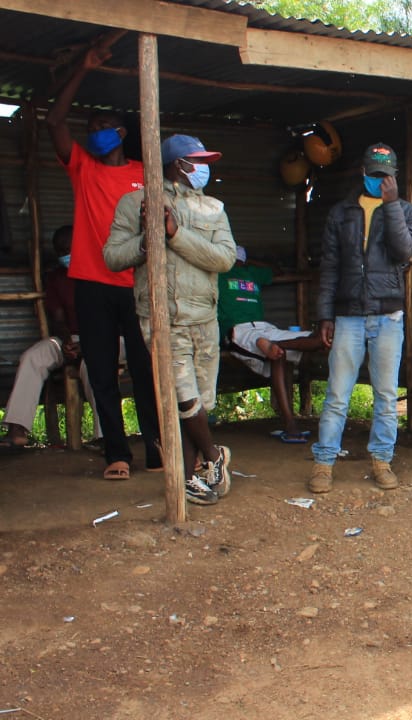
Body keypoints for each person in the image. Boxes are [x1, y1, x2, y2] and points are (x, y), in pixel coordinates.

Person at [47, 41, 162, 480]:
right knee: (101, 374)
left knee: (146, 371)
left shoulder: (144, 172)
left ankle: (157, 450)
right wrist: (83, 66)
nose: (95, 131)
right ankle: (117, 454)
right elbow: (55, 121)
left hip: (138, 286)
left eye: (103, 126)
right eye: (91, 126)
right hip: (92, 286)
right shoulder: (82, 167)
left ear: (121, 132)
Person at [104, 134, 237, 506]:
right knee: (183, 397)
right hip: (162, 319)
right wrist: (147, 239)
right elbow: (112, 257)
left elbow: (225, 259)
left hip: (204, 317)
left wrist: (175, 234)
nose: (205, 168)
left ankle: (193, 473)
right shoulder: (135, 203)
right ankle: (212, 456)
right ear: (180, 164)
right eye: (200, 161)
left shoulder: (213, 208)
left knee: (199, 402)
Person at [308, 143, 412, 494]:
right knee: (337, 394)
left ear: (395, 176)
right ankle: (324, 463)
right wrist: (325, 315)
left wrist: (391, 204)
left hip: (388, 316)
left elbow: (404, 251)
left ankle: (382, 461)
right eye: (374, 174)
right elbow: (330, 266)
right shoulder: (341, 213)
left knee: (386, 395)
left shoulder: (409, 212)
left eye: (385, 175)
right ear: (362, 172)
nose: (379, 180)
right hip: (348, 316)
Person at [1, 226, 105, 447]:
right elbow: (58, 319)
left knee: (94, 365)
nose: (65, 255)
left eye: (68, 249)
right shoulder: (57, 278)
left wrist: (88, 345)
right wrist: (67, 342)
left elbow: (113, 320)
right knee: (33, 356)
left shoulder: (102, 271)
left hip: (107, 339)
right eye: (60, 252)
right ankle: (17, 428)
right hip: (72, 339)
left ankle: (106, 435)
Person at [219, 245, 326, 442]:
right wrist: (248, 262)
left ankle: (277, 345)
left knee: (308, 339)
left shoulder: (248, 273)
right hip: (238, 330)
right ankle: (290, 424)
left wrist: (249, 263)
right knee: (274, 350)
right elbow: (276, 270)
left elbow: (276, 270)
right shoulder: (218, 274)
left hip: (263, 328)